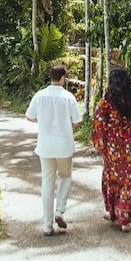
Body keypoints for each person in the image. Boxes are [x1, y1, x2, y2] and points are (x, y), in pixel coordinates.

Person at [91, 66, 131, 232]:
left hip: (112, 147)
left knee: (113, 179)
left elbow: (98, 122)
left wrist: (100, 143)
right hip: (129, 146)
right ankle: (123, 219)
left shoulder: (106, 101)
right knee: (128, 180)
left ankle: (114, 212)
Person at [25, 63, 82, 236]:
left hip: (45, 145)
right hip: (64, 145)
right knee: (65, 176)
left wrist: (43, 120)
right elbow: (76, 122)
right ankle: (60, 211)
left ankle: (47, 225)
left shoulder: (40, 95)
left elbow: (30, 117)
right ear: (63, 78)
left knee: (47, 183)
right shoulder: (68, 97)